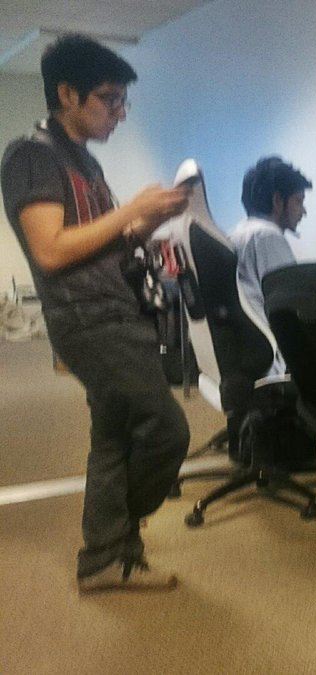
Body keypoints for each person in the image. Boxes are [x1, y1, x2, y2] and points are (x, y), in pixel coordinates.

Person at [1, 34, 191, 592]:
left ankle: (104, 558)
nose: (121, 113)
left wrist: (148, 222)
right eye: (111, 99)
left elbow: (102, 243)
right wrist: (131, 208)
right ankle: (119, 533)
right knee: (167, 431)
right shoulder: (32, 155)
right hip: (89, 319)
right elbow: (50, 250)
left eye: (123, 101)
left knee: (113, 436)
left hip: (115, 308)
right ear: (67, 94)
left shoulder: (84, 160)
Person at [229, 156, 312, 376]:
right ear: (277, 201)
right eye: (299, 201)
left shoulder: (238, 234)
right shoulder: (267, 236)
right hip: (275, 367)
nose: (303, 211)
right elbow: (294, 309)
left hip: (249, 358)